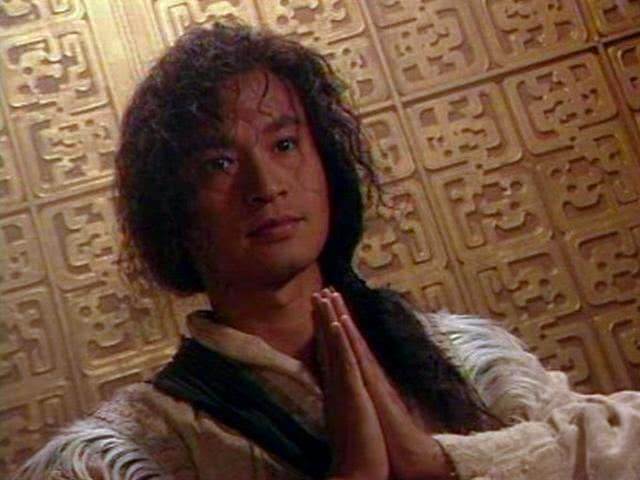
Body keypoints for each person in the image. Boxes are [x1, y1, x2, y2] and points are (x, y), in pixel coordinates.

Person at [14, 22, 640, 480]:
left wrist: (443, 462)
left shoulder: (463, 355)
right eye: (219, 163)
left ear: (326, 162)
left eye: (285, 145)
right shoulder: (127, 451)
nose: (266, 185)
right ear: (173, 208)